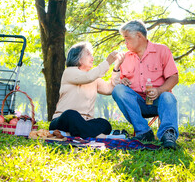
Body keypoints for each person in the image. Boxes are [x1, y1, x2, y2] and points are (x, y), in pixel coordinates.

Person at [112, 20, 179, 149]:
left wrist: (159, 91)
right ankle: (143, 132)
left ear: (139, 36)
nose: (125, 43)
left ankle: (168, 134)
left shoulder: (162, 50)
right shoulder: (125, 57)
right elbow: (114, 84)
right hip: (137, 105)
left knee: (168, 97)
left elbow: (174, 78)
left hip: (158, 103)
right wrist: (121, 80)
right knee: (118, 90)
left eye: (127, 38)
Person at [49, 42, 124, 138]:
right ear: (78, 59)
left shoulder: (94, 78)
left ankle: (69, 134)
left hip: (85, 122)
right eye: (88, 54)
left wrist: (116, 68)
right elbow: (88, 77)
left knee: (105, 124)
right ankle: (100, 136)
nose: (92, 58)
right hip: (63, 120)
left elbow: (109, 89)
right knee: (71, 115)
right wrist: (107, 62)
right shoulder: (69, 72)